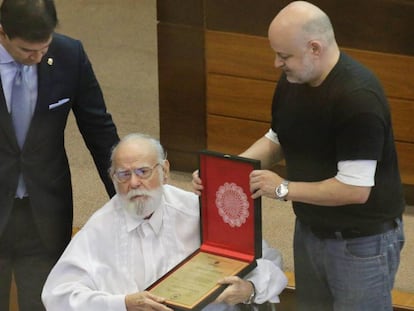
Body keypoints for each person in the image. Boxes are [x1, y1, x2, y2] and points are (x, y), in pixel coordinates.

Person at [192, 1, 405, 310]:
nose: (277, 64)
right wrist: (223, 172)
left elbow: (355, 189)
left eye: (284, 56)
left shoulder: (358, 99)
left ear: (315, 48)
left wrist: (282, 189)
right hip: (310, 231)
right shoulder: (294, 80)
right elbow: (277, 139)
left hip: (361, 244)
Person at [41, 133, 288, 311]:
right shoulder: (99, 228)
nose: (134, 183)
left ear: (165, 171)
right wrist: (122, 304)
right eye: (123, 175)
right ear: (113, 179)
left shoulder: (197, 211)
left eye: (143, 172)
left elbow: (269, 262)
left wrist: (249, 289)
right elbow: (57, 295)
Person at [0, 0, 119, 310]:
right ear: (2, 33)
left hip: (44, 213)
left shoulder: (69, 55)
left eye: (44, 47)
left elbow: (99, 131)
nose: (39, 58)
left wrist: (124, 195)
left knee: (44, 303)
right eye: (27, 51)